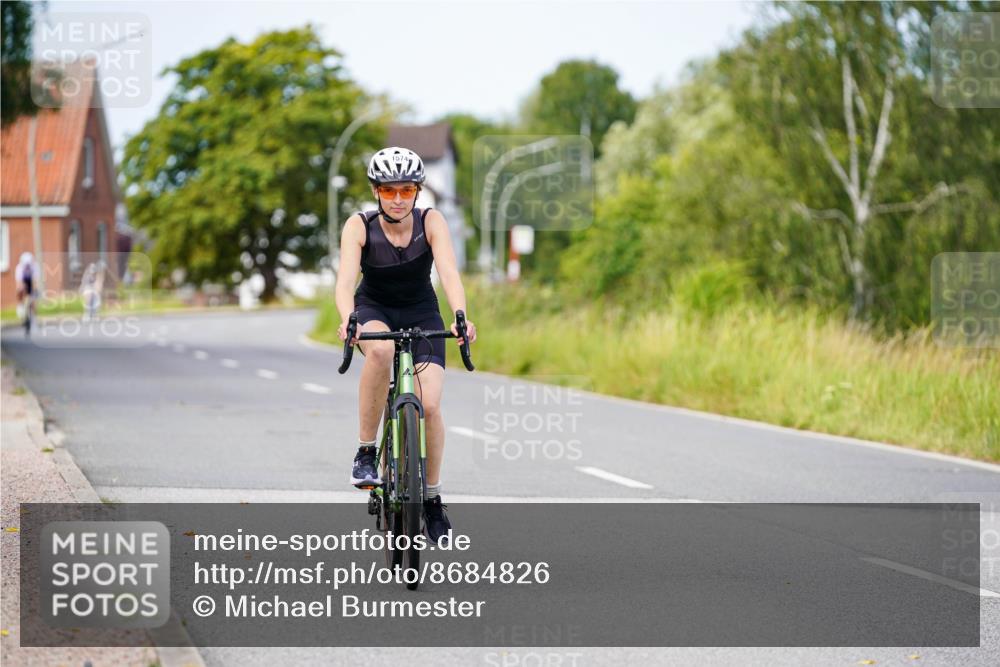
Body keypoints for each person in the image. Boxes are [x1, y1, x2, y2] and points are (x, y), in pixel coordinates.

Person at [335, 147, 477, 544]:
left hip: (421, 312)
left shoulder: (431, 221)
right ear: (376, 191)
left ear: (418, 191)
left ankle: (431, 499)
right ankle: (366, 453)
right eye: (389, 190)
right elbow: (345, 281)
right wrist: (349, 319)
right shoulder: (359, 225)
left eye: (406, 190)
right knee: (380, 352)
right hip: (374, 308)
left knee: (429, 405)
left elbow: (449, 272)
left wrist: (461, 315)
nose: (398, 199)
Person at [14, 252, 38, 325]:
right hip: (23, 280)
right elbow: (18, 282)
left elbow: (35, 281)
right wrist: (21, 289)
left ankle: (33, 316)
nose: (27, 266)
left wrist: (34, 292)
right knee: (19, 290)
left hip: (31, 281)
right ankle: (20, 306)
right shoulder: (19, 268)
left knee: (33, 298)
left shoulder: (35, 266)